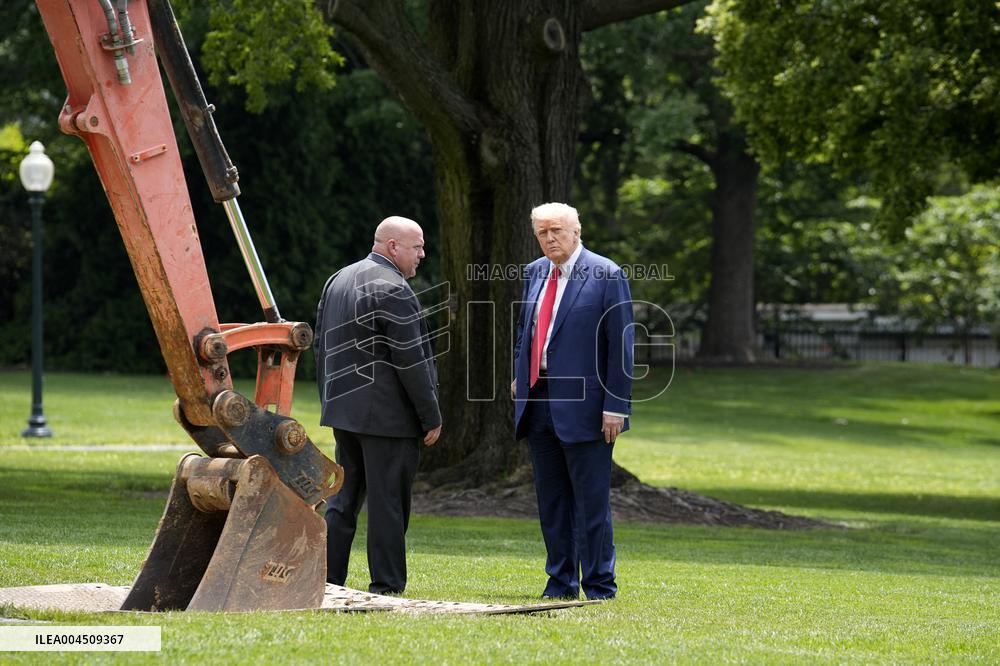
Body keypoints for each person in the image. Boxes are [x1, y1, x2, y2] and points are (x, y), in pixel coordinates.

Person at [511, 202, 634, 600]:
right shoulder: (534, 272)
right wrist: (520, 374)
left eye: (557, 231)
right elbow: (526, 331)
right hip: (538, 401)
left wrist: (616, 406)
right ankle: (560, 583)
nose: (550, 239)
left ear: (576, 231)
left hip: (588, 407)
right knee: (552, 502)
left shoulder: (606, 274)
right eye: (542, 233)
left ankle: (599, 585)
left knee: (591, 503)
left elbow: (622, 346)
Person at [314, 216, 442, 595]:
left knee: (343, 500)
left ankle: (326, 579)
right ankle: (386, 585)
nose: (422, 254)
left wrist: (331, 400)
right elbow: (411, 361)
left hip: (345, 415)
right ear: (392, 247)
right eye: (417, 246)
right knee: (388, 504)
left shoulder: (338, 279)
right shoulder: (394, 289)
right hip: (388, 419)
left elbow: (321, 345)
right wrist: (430, 415)